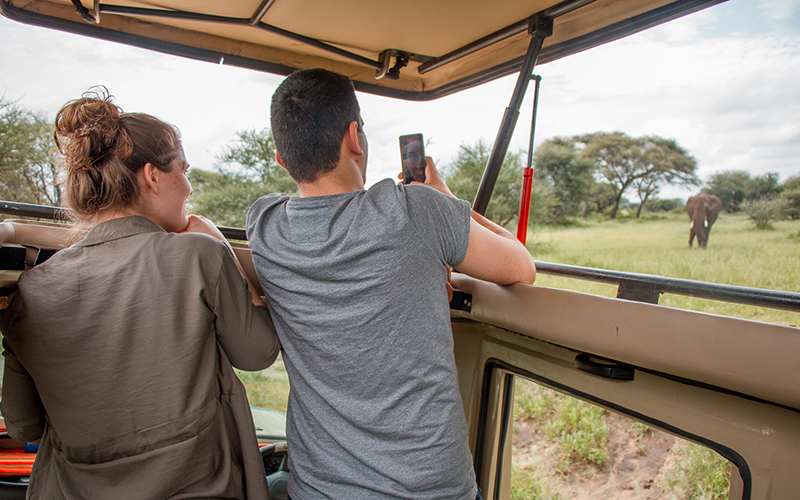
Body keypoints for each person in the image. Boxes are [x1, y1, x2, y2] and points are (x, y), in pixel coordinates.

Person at [246, 68, 536, 500]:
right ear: (354, 137)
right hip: (431, 489)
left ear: (282, 160)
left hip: (319, 490)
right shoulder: (417, 211)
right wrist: (447, 201)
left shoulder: (264, 224)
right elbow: (521, 266)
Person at [0, 89, 280, 499]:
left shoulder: (32, 289)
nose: (188, 188)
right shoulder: (199, 256)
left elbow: (24, 425)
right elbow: (259, 353)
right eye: (182, 171)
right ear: (151, 175)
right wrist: (219, 244)